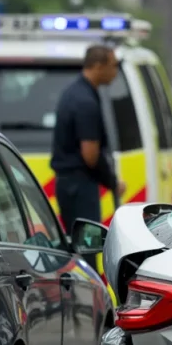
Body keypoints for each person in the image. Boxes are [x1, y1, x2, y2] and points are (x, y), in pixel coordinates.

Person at [50, 44, 124, 228]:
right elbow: (90, 154)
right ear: (99, 66)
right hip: (80, 187)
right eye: (113, 65)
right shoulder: (86, 102)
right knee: (87, 248)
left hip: (70, 186)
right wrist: (112, 183)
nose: (115, 72)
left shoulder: (73, 92)